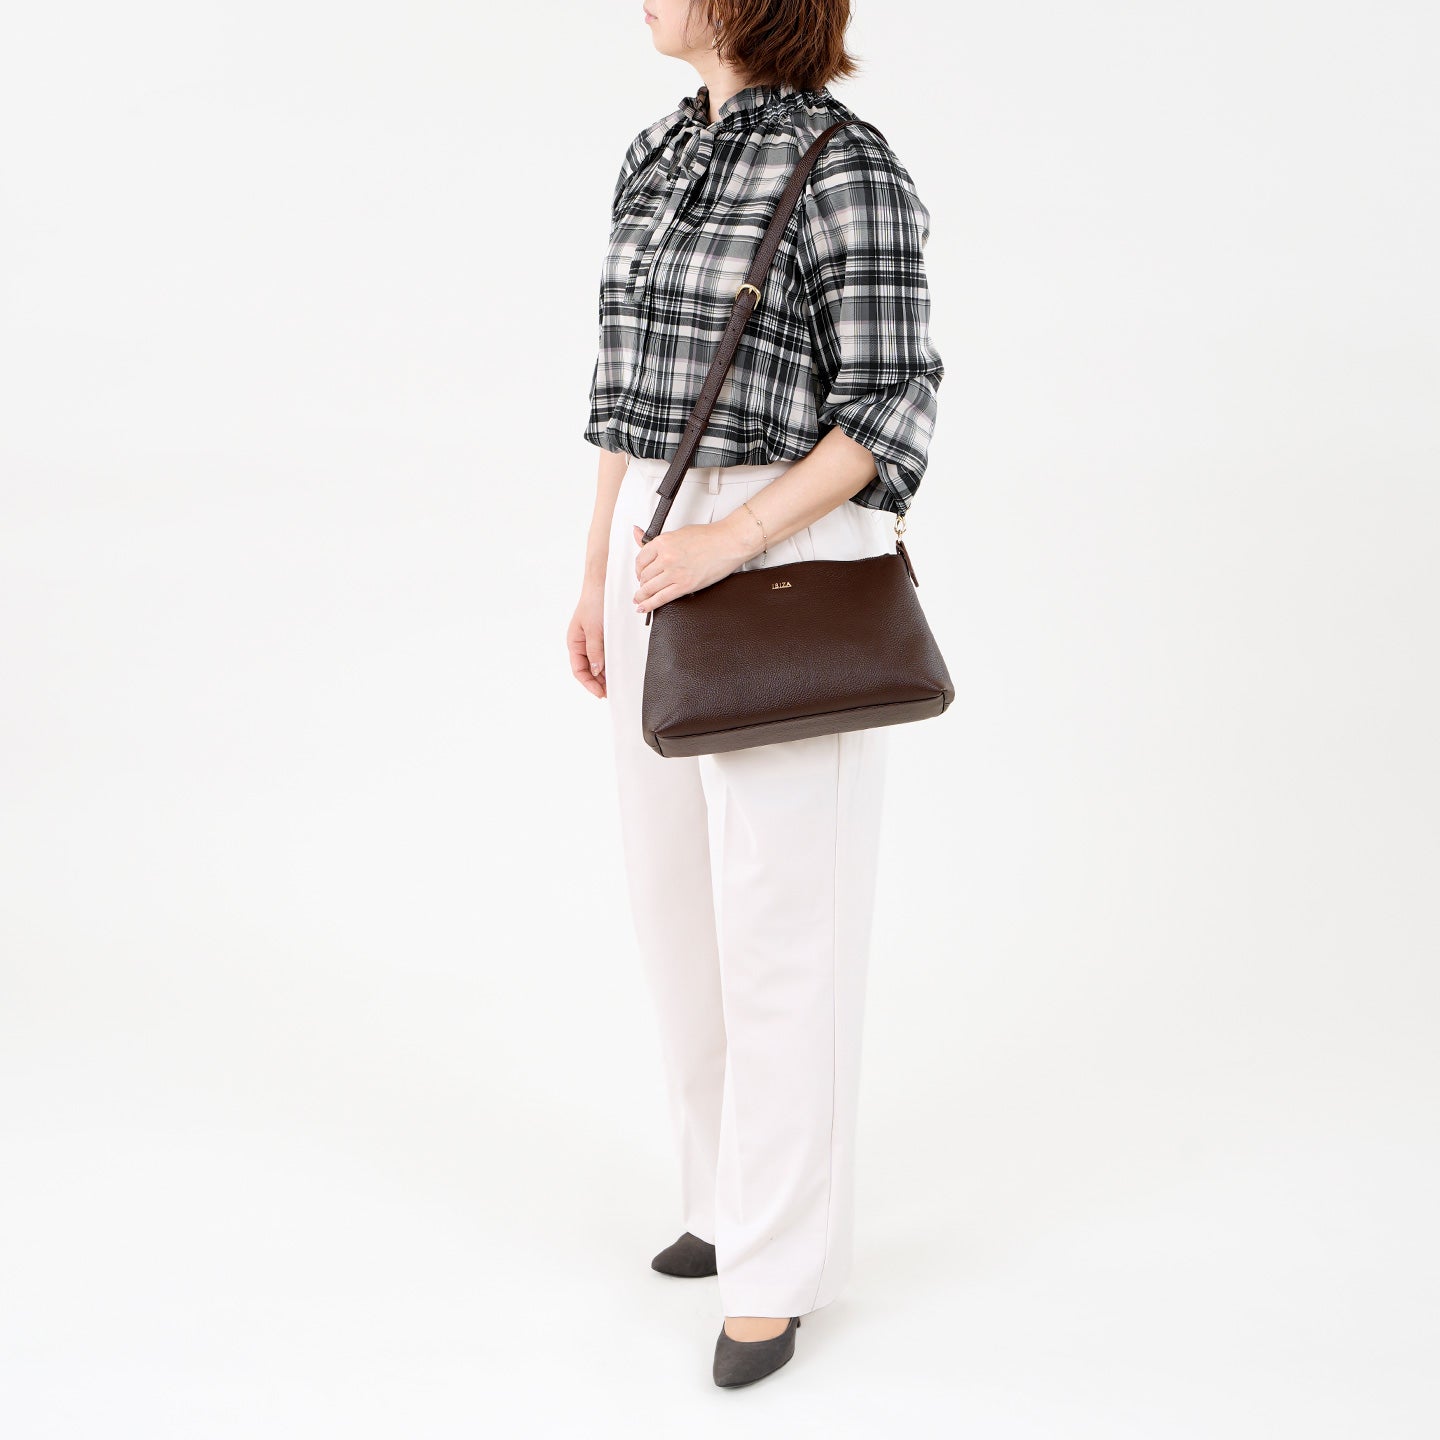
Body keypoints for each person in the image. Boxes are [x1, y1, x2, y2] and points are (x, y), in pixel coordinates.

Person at [566, 0, 943, 1388]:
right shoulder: (655, 154)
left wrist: (735, 536)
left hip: (779, 557)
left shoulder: (848, 162)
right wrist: (594, 569)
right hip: (655, 553)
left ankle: (779, 1270)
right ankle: (724, 1199)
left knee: (786, 927)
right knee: (676, 905)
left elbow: (891, 402)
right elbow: (623, 393)